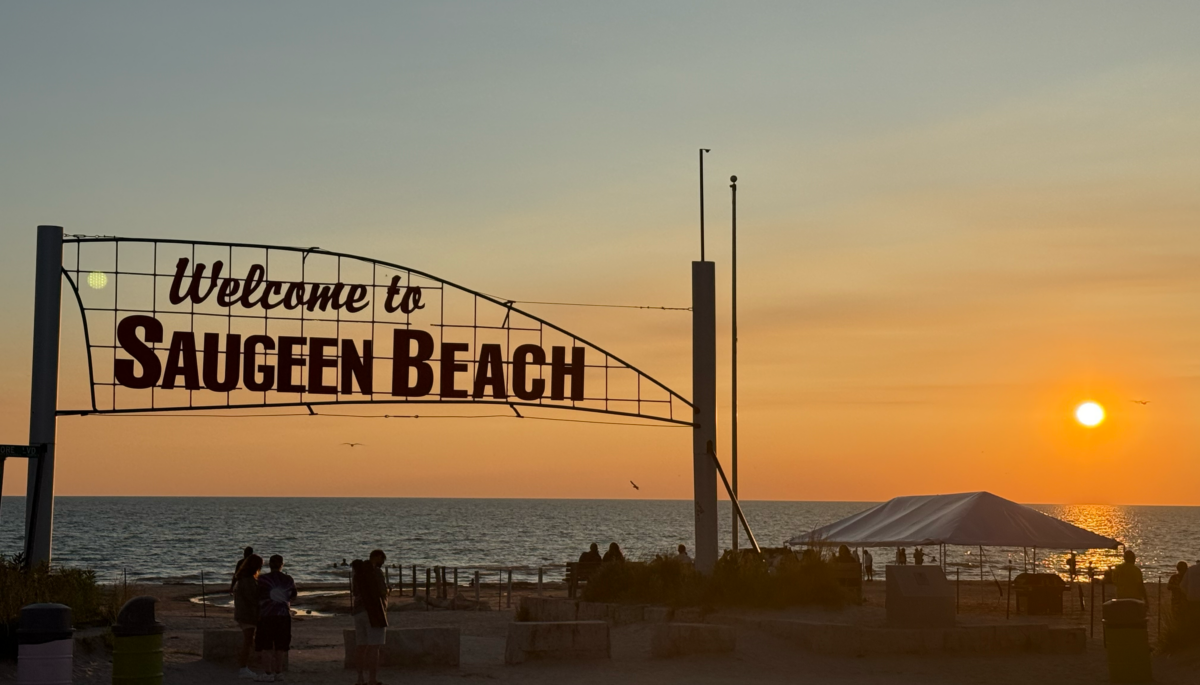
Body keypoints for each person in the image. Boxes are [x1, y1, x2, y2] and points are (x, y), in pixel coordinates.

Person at [254, 555, 296, 683]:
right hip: (283, 616)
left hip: (267, 616)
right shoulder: (288, 579)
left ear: (269, 564)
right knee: (281, 646)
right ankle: (278, 672)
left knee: (266, 646)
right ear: (281, 564)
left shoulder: (262, 579)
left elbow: (256, 596)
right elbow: (293, 595)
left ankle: (268, 673)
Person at [353, 550, 389, 685]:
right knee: (374, 647)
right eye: (382, 560)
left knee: (361, 646)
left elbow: (355, 591)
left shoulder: (358, 572)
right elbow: (382, 591)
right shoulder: (377, 572)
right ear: (378, 557)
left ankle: (360, 678)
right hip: (374, 612)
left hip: (358, 611)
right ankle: (372, 679)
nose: (382, 563)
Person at [233, 554, 263, 680]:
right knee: (247, 642)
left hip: (243, 614)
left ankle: (245, 667)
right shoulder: (248, 581)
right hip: (247, 615)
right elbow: (253, 599)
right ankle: (243, 668)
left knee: (249, 641)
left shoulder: (242, 579)